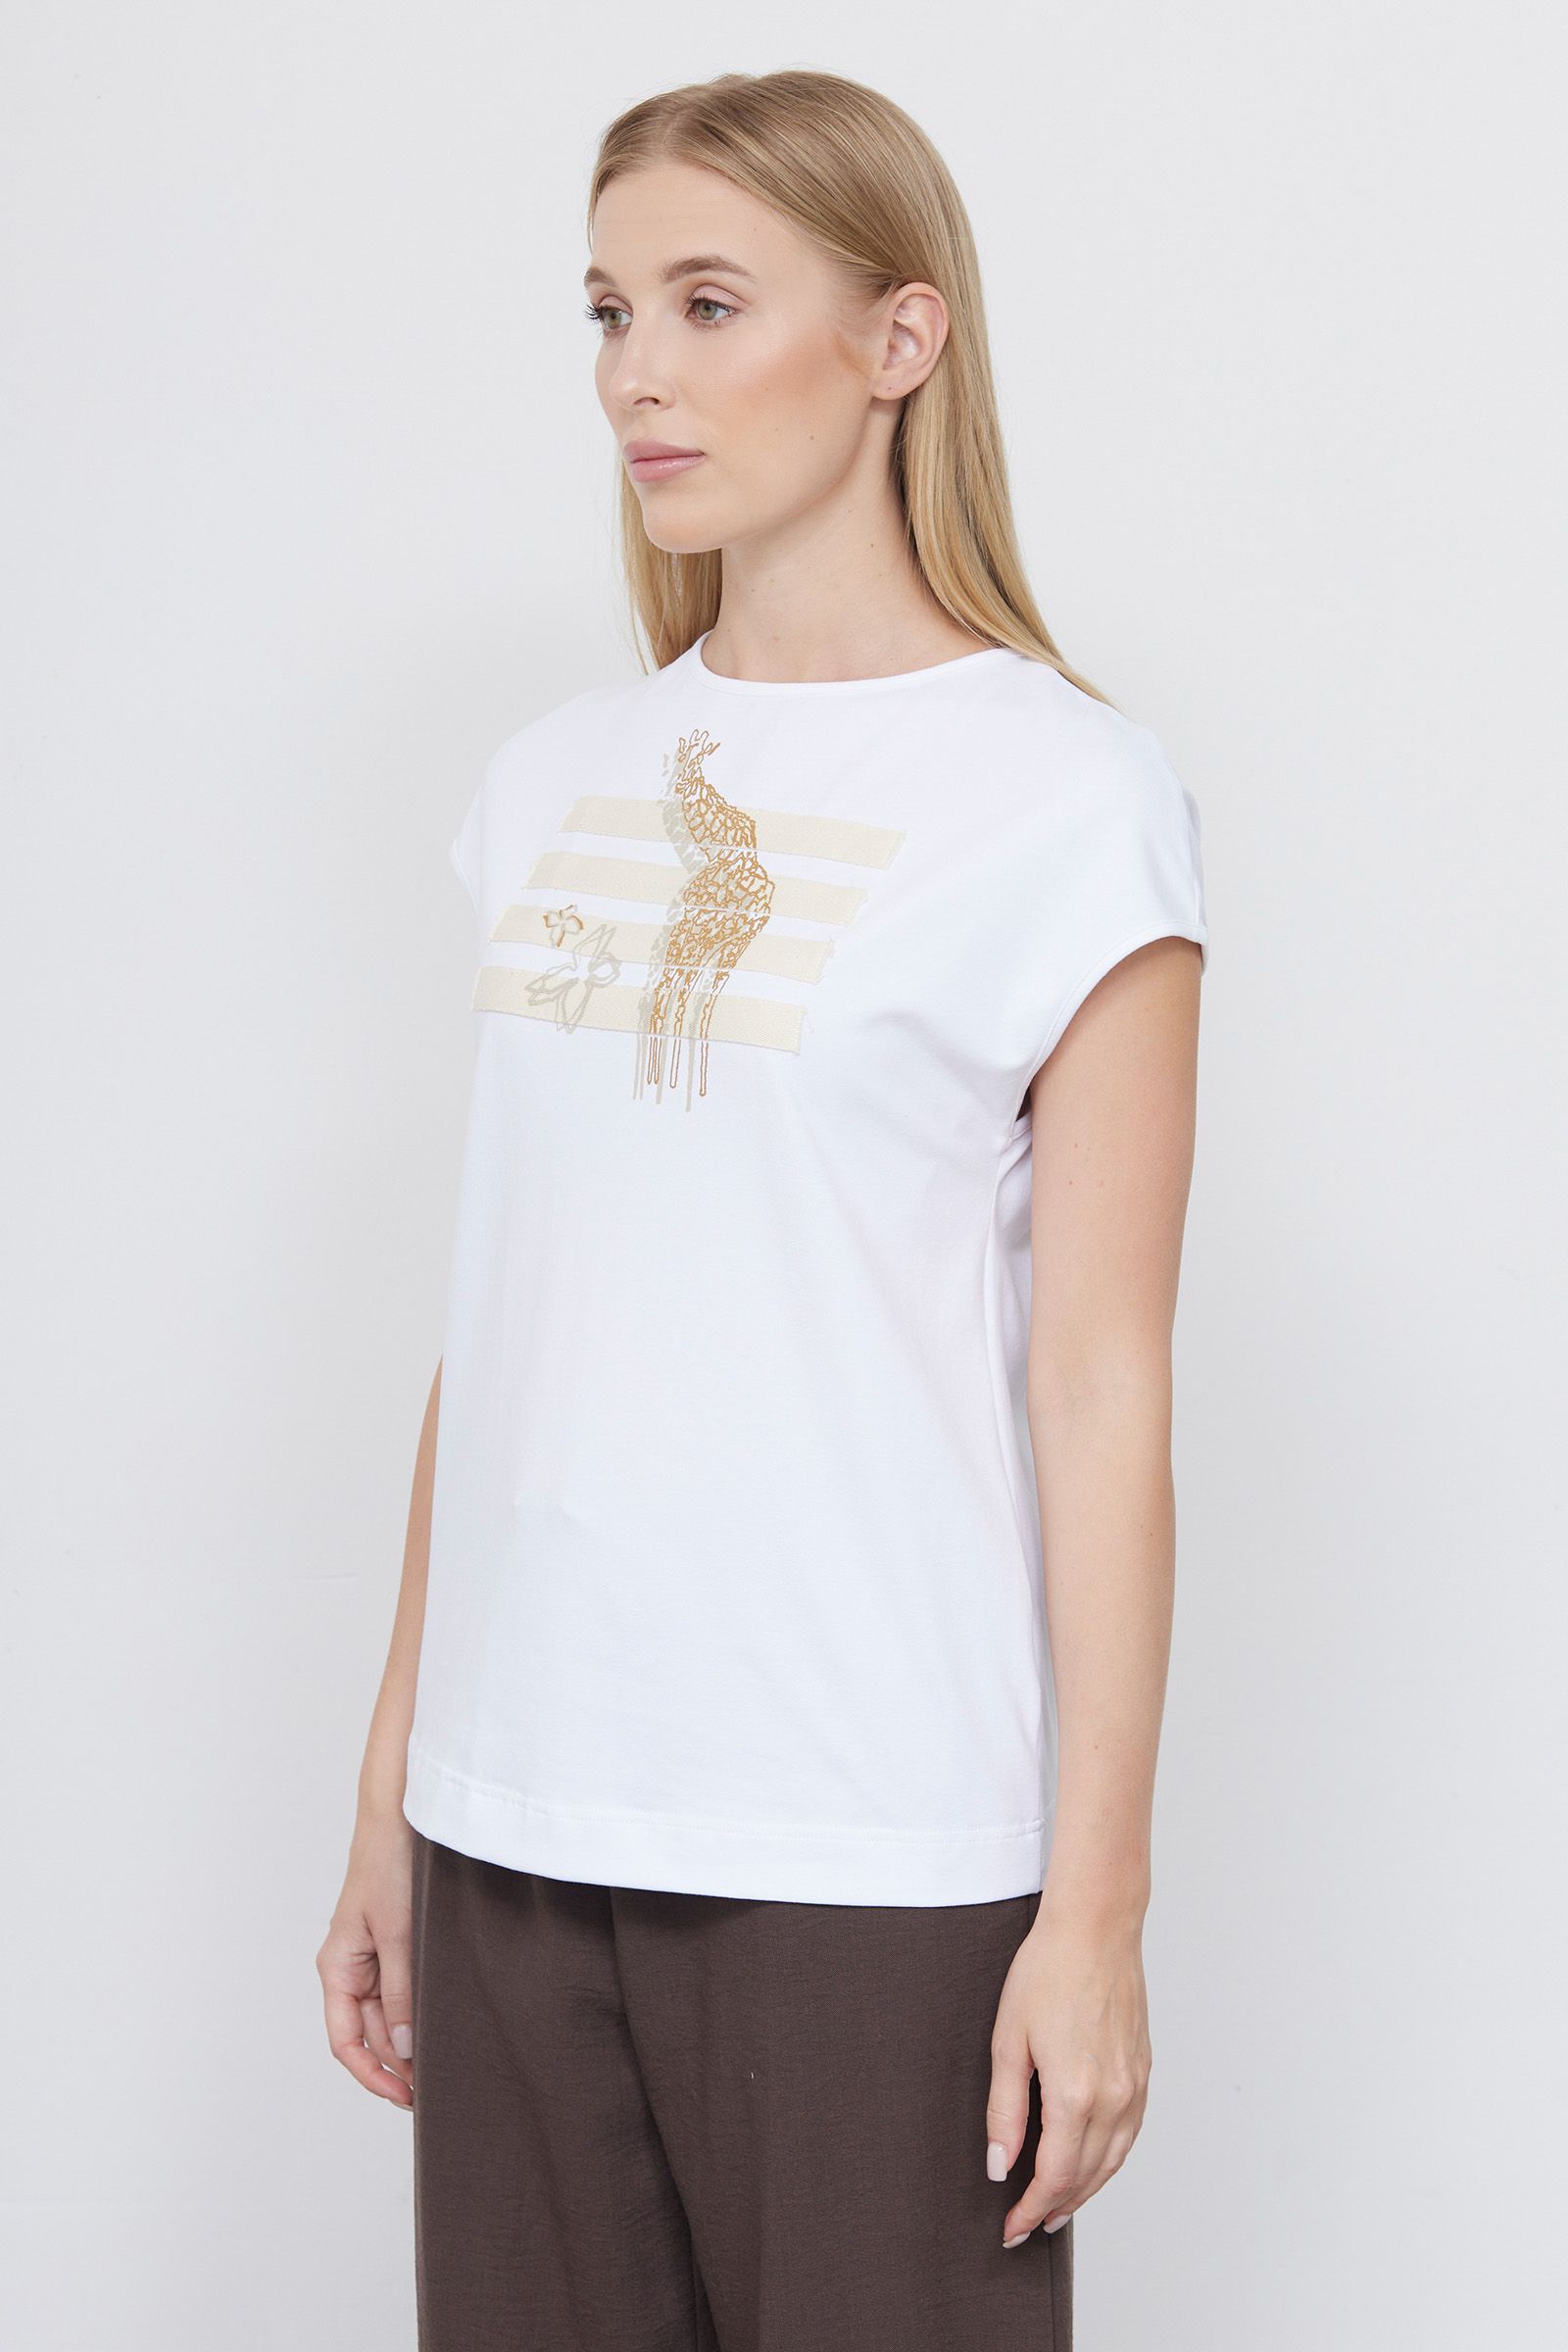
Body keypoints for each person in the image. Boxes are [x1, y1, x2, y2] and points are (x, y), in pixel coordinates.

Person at [317, 66, 1208, 2352]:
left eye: (709, 304)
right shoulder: (550, 782)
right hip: (514, 1832)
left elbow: (1100, 1386)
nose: (638, 371)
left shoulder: (1059, 801)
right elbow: (511, 1319)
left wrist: (1092, 1911)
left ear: (899, 337)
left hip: (858, 1843)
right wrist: (393, 1789)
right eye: (608, 310)